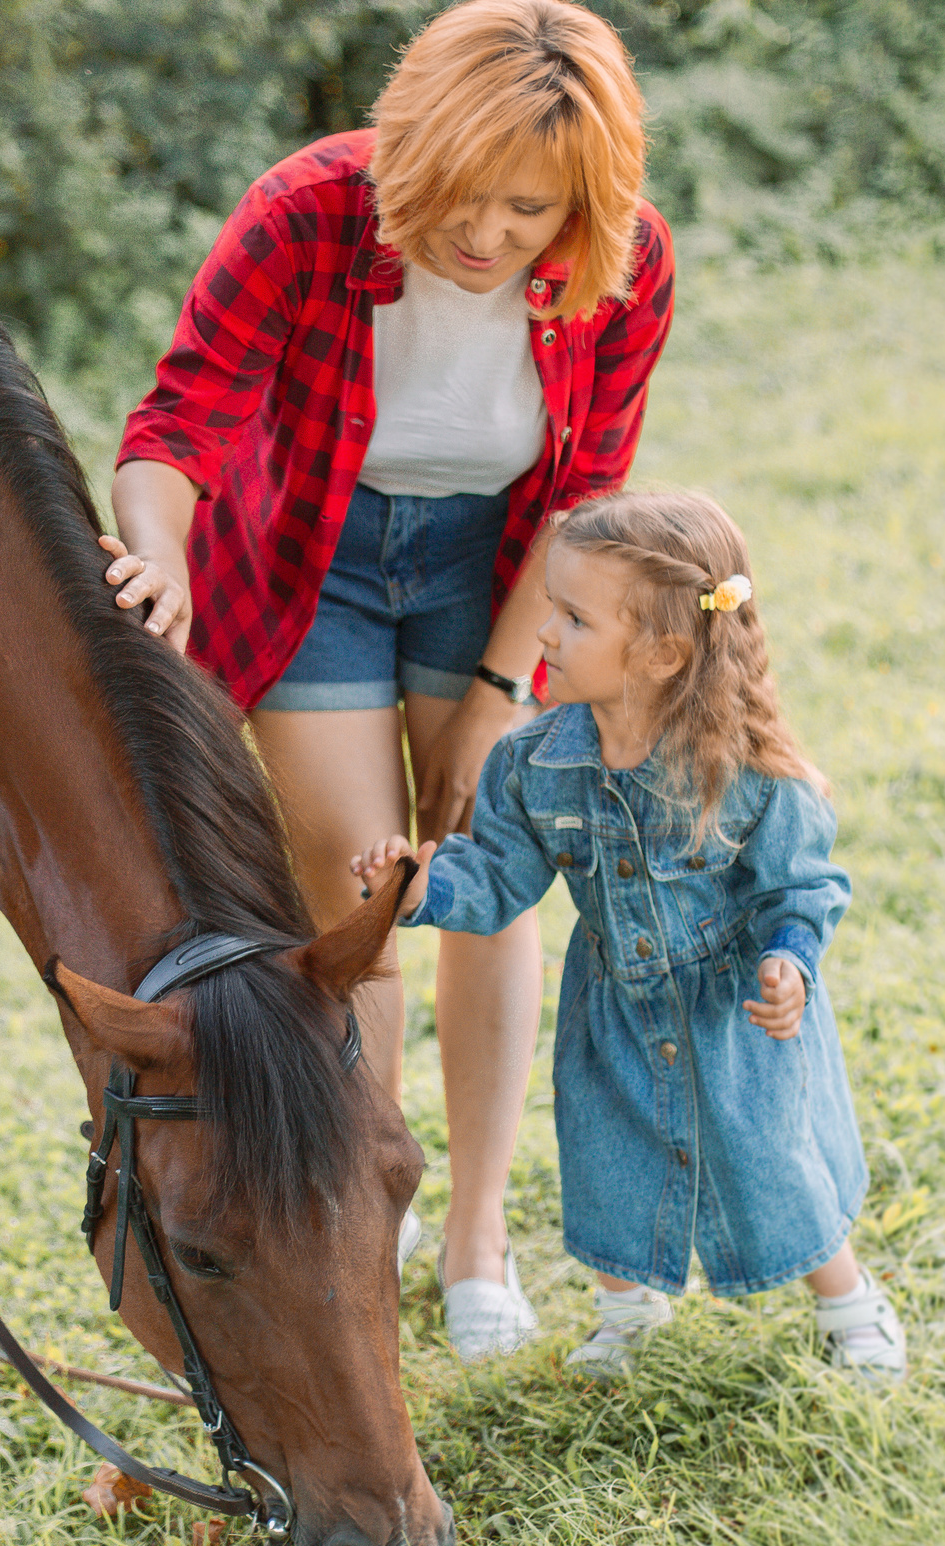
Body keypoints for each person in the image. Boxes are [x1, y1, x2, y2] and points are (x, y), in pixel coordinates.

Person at [101, 0, 674, 1360]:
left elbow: (588, 493)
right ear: (409, 153)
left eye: (527, 213)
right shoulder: (306, 211)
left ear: (578, 206)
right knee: (359, 883)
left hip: (508, 558)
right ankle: (380, 1174)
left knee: (488, 868)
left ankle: (479, 1233)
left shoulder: (626, 257)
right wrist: (159, 554)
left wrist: (494, 688)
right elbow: (176, 421)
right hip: (315, 550)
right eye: (458, 199)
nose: (485, 237)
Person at [350, 493, 905, 1378]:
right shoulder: (533, 763)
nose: (544, 635)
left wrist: (788, 961)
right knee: (610, 1162)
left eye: (574, 619)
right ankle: (627, 1308)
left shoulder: (749, 770)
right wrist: (418, 887)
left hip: (733, 1017)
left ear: (661, 653)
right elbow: (498, 877)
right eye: (550, 610)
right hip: (613, 1011)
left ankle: (848, 1301)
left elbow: (799, 887)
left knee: (773, 1166)